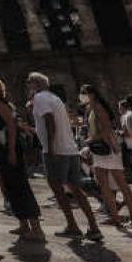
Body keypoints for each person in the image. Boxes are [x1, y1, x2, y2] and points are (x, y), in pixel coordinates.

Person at [27, 73, 103, 243]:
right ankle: (93, 226)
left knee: (58, 190)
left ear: (35, 83)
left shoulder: (39, 97)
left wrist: (51, 146)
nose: (27, 85)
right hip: (70, 149)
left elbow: (49, 121)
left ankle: (73, 226)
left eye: (29, 82)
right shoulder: (55, 98)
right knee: (76, 189)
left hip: (56, 150)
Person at [0, 74, 43, 242]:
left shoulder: (0, 103)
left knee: (19, 185)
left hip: (8, 148)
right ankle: (23, 223)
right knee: (9, 185)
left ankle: (36, 227)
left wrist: (12, 150)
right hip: (1, 149)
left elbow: (12, 126)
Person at [80, 84, 132, 231]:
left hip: (109, 148)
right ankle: (115, 217)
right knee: (103, 185)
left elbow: (107, 129)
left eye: (84, 93)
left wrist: (90, 140)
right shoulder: (90, 109)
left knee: (122, 184)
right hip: (99, 150)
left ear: (92, 94)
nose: (81, 95)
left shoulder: (99, 107)